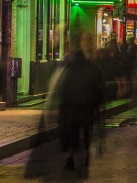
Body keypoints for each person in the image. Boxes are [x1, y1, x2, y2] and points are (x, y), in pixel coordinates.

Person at [57, 32, 104, 170]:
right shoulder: (75, 63)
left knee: (85, 130)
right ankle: (71, 157)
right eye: (85, 41)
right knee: (73, 130)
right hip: (74, 104)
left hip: (86, 104)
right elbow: (65, 83)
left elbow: (97, 83)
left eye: (88, 41)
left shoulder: (90, 64)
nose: (87, 44)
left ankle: (84, 155)